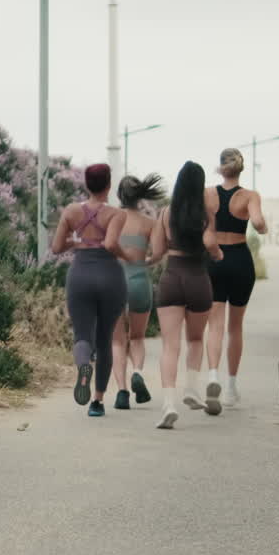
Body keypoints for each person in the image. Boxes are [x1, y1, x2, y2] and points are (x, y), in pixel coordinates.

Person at [150, 161, 223, 429]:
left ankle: (169, 404)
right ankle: (191, 389)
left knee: (170, 346)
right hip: (197, 280)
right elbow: (210, 244)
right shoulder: (205, 215)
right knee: (195, 339)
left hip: (172, 279)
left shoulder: (166, 213)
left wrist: (146, 261)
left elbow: (157, 251)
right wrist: (217, 253)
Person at [51, 163, 127, 418]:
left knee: (82, 335)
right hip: (109, 275)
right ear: (108, 185)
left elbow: (56, 247)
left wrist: (76, 241)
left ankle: (84, 366)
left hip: (80, 274)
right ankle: (97, 402)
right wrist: (128, 256)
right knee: (105, 339)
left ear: (86, 184)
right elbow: (111, 243)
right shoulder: (116, 214)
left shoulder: (72, 211)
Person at [204, 148, 268, 408]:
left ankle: (212, 376)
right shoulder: (249, 196)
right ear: (241, 169)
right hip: (240, 260)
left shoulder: (207, 194)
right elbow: (259, 223)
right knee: (235, 327)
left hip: (214, 260)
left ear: (221, 167)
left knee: (215, 324)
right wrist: (262, 224)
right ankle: (230, 388)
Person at [109, 174, 166, 410]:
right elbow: (160, 252)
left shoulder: (111, 219)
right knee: (138, 337)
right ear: (140, 196)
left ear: (120, 196)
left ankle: (122, 392)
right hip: (140, 281)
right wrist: (144, 262)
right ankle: (138, 372)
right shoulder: (148, 223)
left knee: (117, 342)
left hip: (113, 283)